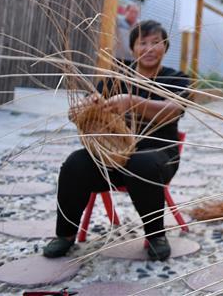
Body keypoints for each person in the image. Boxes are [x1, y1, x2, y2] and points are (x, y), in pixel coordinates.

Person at [43, 20, 189, 261]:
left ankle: (155, 235)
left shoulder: (176, 79)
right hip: (111, 156)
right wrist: (83, 108)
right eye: (143, 43)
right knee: (75, 164)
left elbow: (173, 110)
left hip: (158, 155)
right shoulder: (117, 75)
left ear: (166, 47)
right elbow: (83, 107)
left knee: (142, 164)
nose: (149, 49)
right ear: (133, 48)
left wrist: (132, 102)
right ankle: (65, 235)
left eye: (156, 43)